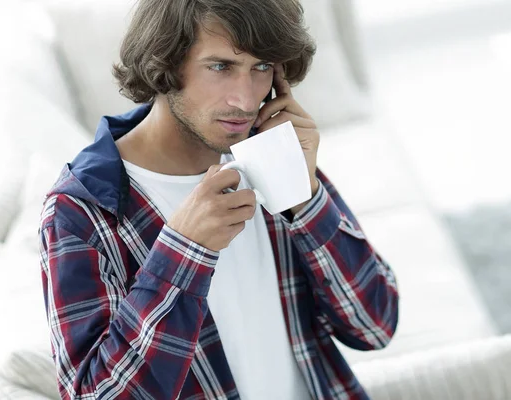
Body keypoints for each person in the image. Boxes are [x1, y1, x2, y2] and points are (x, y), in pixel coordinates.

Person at [39, 0, 399, 399]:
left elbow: (375, 325)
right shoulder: (82, 211)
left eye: (261, 67)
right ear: (167, 60)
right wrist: (182, 252)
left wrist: (306, 197)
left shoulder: (270, 155)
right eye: (221, 67)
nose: (245, 100)